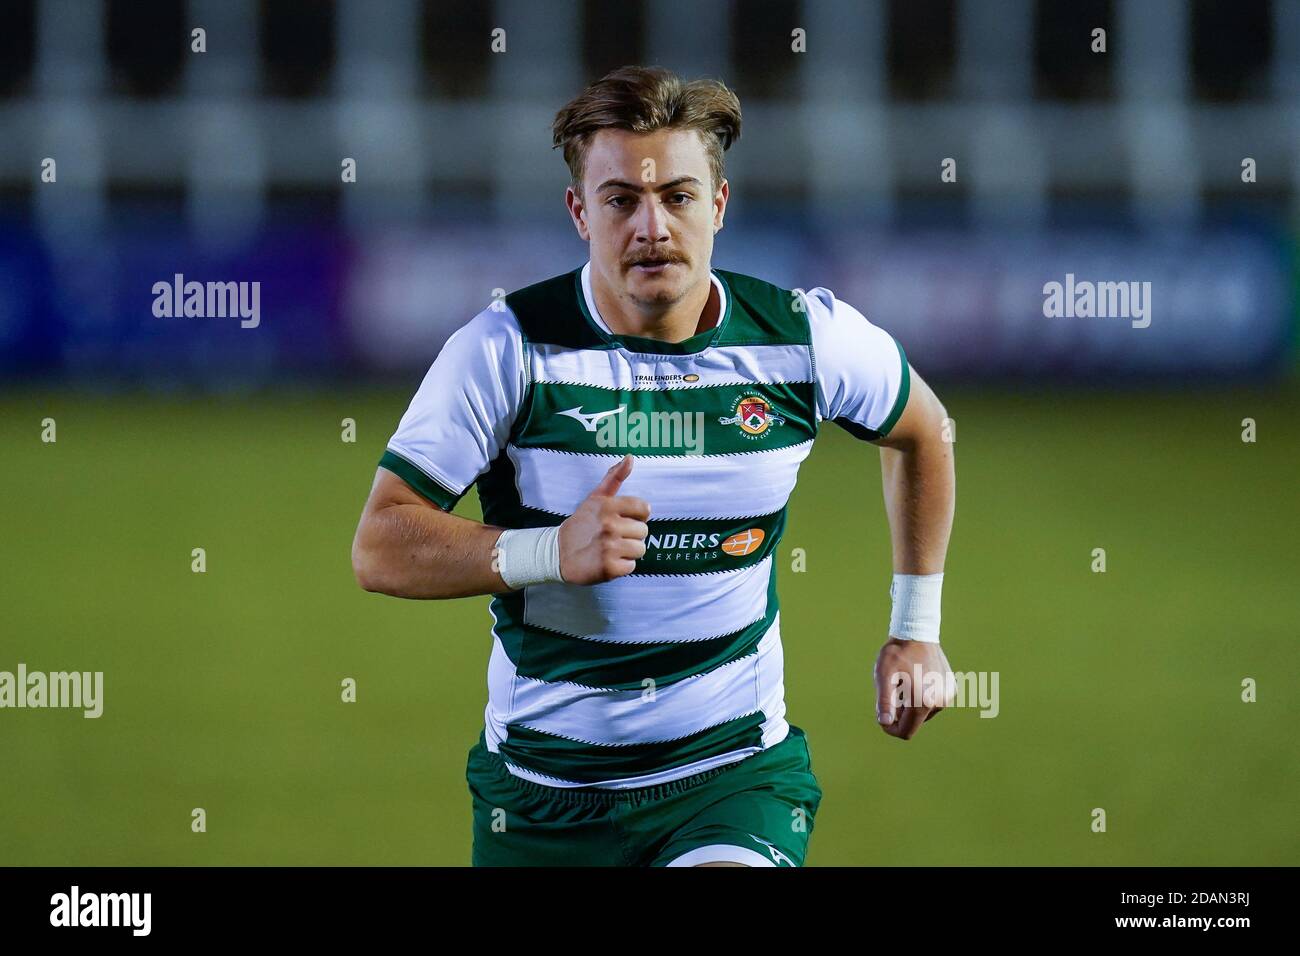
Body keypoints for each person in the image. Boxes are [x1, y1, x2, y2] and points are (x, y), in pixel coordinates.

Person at [351, 65, 956, 867]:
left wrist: (915, 631)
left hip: (731, 779)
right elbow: (381, 544)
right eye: (621, 200)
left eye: (677, 196)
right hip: (543, 798)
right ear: (579, 211)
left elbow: (924, 432)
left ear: (719, 204)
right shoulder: (506, 351)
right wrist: (544, 552)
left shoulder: (803, 341)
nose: (652, 227)